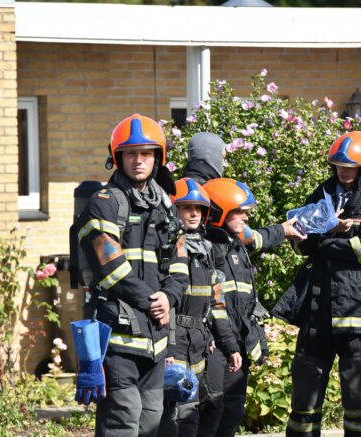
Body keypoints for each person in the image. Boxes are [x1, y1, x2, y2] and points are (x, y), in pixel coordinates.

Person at [77, 114, 189, 437]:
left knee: (150, 423)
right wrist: (153, 301)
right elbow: (111, 269)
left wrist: (169, 297)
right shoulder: (104, 203)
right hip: (118, 340)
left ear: (157, 158)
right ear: (117, 158)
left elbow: (179, 263)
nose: (138, 160)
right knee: (122, 421)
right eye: (130, 153)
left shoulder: (166, 206)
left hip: (156, 341)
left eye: (145, 153)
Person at [285, 131, 361, 437]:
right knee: (304, 396)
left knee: (359, 402)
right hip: (317, 309)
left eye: (350, 166)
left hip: (358, 314)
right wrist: (330, 233)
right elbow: (299, 241)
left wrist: (324, 241)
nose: (343, 171)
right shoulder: (320, 195)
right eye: (338, 165)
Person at [196, 178, 298, 437]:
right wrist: (227, 344)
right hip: (214, 346)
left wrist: (257, 340)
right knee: (211, 411)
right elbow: (213, 306)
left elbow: (247, 303)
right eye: (239, 212)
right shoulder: (204, 249)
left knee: (233, 412)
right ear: (218, 213)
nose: (245, 218)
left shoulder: (237, 245)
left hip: (238, 347)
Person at [158, 177, 242, 437]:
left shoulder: (207, 251)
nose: (194, 214)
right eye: (186, 208)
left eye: (199, 209)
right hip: (174, 340)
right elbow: (164, 302)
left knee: (191, 413)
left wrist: (230, 346)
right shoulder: (169, 246)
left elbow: (217, 304)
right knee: (171, 415)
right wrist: (167, 346)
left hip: (198, 342)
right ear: (175, 210)